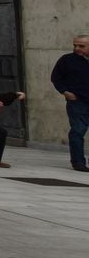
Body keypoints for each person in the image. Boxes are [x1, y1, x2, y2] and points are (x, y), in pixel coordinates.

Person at [52, 35, 89, 172]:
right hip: (77, 101)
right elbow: (56, 78)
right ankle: (78, 162)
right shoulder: (67, 60)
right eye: (75, 45)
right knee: (78, 130)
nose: (77, 48)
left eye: (81, 46)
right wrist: (65, 92)